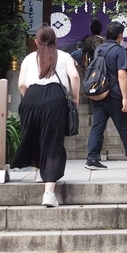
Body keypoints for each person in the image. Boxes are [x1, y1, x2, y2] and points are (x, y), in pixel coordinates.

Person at [11, 24, 79, 207]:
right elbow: (74, 77)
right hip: (55, 99)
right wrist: (75, 98)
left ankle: (40, 174)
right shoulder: (65, 57)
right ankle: (49, 193)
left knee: (35, 137)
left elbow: (21, 85)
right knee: (52, 142)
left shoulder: (28, 58)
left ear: (36, 42)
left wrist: (31, 100)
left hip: (31, 98)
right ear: (56, 40)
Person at [84, 22, 127, 169]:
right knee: (124, 127)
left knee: (97, 127)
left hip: (99, 93)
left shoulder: (98, 49)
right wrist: (125, 97)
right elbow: (122, 75)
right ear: (120, 36)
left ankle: (92, 159)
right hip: (114, 95)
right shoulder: (120, 51)